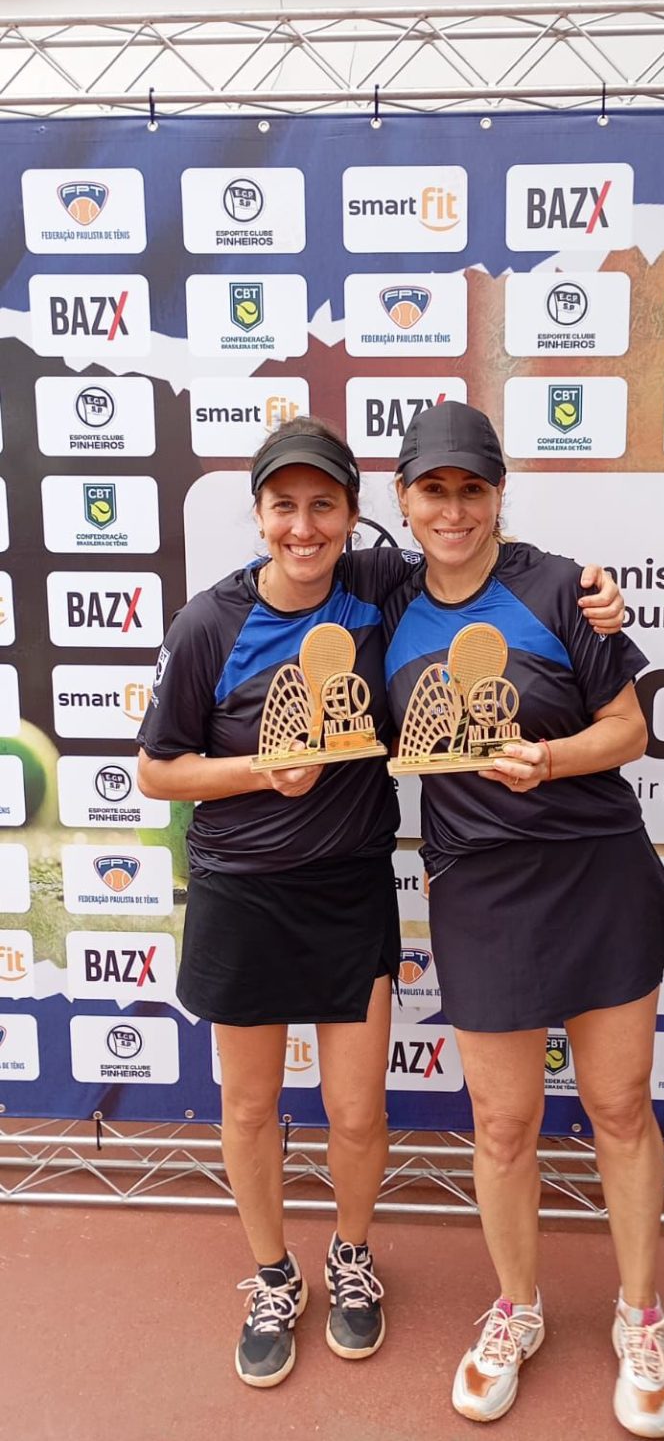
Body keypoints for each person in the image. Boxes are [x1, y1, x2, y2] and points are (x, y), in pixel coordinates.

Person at [136, 415, 624, 1390]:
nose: (303, 527)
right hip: (239, 891)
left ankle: (351, 1254)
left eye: (323, 506)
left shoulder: (377, 584)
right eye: (284, 506)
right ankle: (273, 1275)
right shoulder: (208, 623)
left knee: (356, 1112)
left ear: (356, 515)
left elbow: (477, 561)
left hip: (350, 884)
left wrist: (593, 591)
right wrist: (257, 770)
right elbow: (156, 771)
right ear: (258, 514)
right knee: (249, 1106)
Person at [383, 400, 664, 1437]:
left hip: (595, 871)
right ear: (403, 499)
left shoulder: (561, 587)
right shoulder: (381, 602)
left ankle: (639, 1316)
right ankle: (516, 1308)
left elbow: (630, 727)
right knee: (503, 1124)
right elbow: (294, 583)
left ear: (498, 494)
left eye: (471, 488)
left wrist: (550, 759)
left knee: (619, 1107)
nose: (453, 510)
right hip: (478, 889)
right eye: (434, 490)